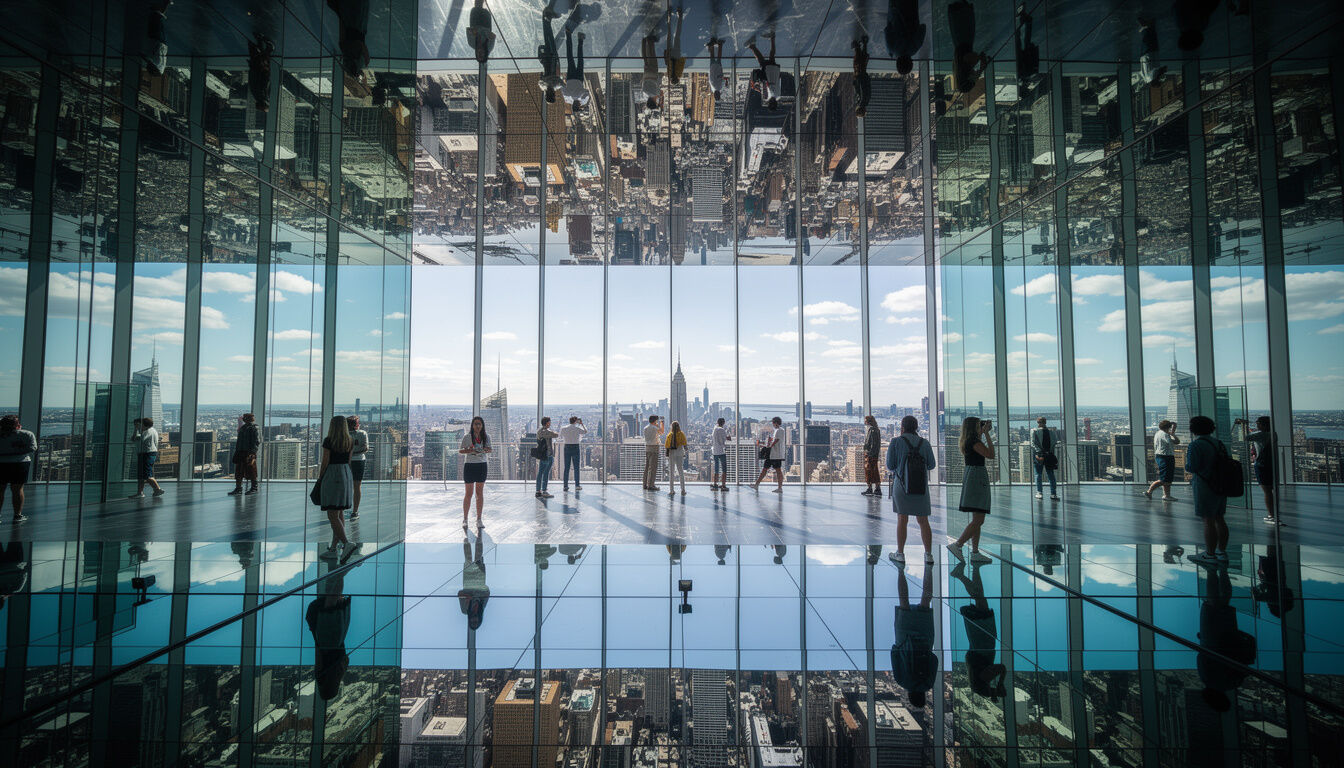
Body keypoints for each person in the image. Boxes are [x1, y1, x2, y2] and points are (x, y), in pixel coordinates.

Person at [1196, 562, 1257, 713]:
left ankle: (1222, 571)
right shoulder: (1207, 679)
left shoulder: (1233, 683)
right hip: (1211, 640)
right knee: (1213, 603)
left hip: (1229, 638)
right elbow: (1201, 657)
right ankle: (1212, 570)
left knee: (1224, 602)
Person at [951, 561, 1007, 699]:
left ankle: (961, 576)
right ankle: (976, 567)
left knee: (980, 598)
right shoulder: (975, 675)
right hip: (979, 642)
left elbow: (1002, 668)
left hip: (984, 641)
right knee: (980, 598)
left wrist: (1000, 683)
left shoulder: (983, 678)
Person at [887, 416, 937, 566]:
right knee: (923, 520)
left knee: (902, 519)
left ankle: (900, 553)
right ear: (916, 428)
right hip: (920, 486)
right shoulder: (925, 443)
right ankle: (928, 554)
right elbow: (931, 465)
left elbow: (890, 465)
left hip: (901, 485)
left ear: (902, 427)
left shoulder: (895, 442)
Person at [891, 561, 936, 709]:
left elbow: (934, 660)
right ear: (910, 696)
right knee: (904, 601)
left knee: (926, 600)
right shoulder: (902, 681)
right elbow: (895, 655)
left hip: (925, 639)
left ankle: (928, 567)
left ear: (923, 696)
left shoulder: (929, 683)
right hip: (904, 639)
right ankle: (900, 570)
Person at [948, 417, 993, 564]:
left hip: (973, 476)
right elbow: (990, 454)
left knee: (976, 519)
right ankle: (958, 544)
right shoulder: (974, 442)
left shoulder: (969, 441)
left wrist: (982, 432)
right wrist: (986, 434)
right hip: (977, 477)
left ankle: (974, 552)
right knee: (979, 519)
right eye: (978, 425)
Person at [1185, 415, 1229, 567]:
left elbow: (1191, 467)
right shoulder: (1218, 443)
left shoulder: (1196, 445)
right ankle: (1221, 552)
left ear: (1193, 429)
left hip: (1204, 484)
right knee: (1220, 518)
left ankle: (1209, 554)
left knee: (1208, 520)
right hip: (1221, 484)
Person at [306, 569, 352, 701]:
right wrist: (314, 632)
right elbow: (318, 654)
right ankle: (339, 570)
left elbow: (346, 658)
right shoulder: (321, 677)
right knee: (330, 601)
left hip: (337, 639)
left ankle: (339, 570)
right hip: (325, 641)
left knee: (334, 600)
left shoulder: (339, 673)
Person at [317, 416, 354, 557]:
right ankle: (333, 548)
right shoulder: (349, 441)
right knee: (339, 513)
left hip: (332, 475)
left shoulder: (329, 441)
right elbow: (349, 461)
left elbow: (325, 461)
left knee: (332, 514)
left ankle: (346, 543)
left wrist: (321, 478)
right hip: (345, 473)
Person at [1241, 416, 1278, 525]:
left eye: (1258, 424)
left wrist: (1244, 425)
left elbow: (1246, 437)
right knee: (1270, 490)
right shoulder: (1273, 434)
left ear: (1263, 425)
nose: (1257, 426)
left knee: (1266, 491)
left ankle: (1271, 515)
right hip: (1270, 464)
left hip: (1261, 465)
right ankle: (1273, 513)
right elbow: (1253, 434)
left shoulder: (1261, 435)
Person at [0, 415, 37, 523]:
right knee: (17, 490)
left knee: (0, 489)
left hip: (1, 464)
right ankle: (17, 515)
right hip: (20, 463)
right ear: (17, 425)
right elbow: (32, 448)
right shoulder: (27, 434)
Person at [947, 0, 985, 94]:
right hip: (958, 35)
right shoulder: (958, 65)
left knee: (964, 16)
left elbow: (974, 55)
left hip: (964, 35)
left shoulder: (966, 64)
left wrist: (980, 69)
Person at [459, 416, 491, 527]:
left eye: (479, 424)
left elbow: (489, 449)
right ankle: (465, 519)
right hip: (469, 466)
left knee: (479, 493)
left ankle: (479, 519)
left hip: (482, 465)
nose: (478, 426)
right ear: (472, 425)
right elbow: (461, 450)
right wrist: (470, 450)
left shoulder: (486, 437)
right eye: (476, 424)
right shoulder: (467, 437)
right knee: (468, 493)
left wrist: (485, 450)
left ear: (482, 426)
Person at [327, 0, 370, 78]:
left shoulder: (364, 60)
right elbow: (342, 27)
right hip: (351, 21)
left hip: (358, 25)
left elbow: (362, 45)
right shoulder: (344, 47)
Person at [884, 0, 924, 74]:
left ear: (911, 63)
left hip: (911, 8)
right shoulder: (891, 48)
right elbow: (886, 30)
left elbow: (923, 27)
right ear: (897, 63)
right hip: (894, 8)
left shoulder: (915, 47)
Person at [459, 535, 490, 630]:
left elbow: (459, 593)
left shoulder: (465, 610)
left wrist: (469, 596)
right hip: (479, 579)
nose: (474, 619)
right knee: (478, 557)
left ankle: (466, 537)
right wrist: (473, 594)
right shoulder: (482, 607)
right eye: (476, 621)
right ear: (480, 620)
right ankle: (479, 536)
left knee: (468, 558)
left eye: (472, 621)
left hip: (468, 581)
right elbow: (487, 592)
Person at [1145, 420, 1180, 501]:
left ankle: (1167, 495)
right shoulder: (1165, 435)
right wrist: (1173, 433)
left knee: (1167, 478)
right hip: (1166, 457)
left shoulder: (1158, 433)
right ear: (1168, 427)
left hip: (1160, 456)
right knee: (1164, 478)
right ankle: (1149, 491)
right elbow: (1176, 442)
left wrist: (1171, 431)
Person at [130, 417, 164, 499]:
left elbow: (141, 439)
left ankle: (157, 489)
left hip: (147, 454)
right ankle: (140, 492)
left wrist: (138, 430)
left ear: (144, 424)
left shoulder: (149, 431)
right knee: (142, 475)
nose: (137, 426)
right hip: (144, 454)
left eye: (138, 425)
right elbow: (133, 439)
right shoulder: (147, 431)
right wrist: (136, 430)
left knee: (146, 474)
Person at [747, 31, 781, 110]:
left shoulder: (778, 96)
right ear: (770, 104)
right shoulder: (768, 97)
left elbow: (777, 84)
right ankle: (752, 46)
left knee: (771, 55)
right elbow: (767, 85)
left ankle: (772, 38)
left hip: (774, 72)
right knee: (761, 59)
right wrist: (757, 87)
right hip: (768, 73)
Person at [228, 413, 261, 496]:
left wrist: (253, 452)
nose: (244, 419)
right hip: (241, 452)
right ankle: (238, 488)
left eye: (245, 418)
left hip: (248, 452)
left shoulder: (254, 428)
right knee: (239, 471)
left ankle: (254, 488)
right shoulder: (244, 427)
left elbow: (257, 441)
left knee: (251, 470)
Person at [538, 3, 563, 103]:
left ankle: (547, 17)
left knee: (550, 38)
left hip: (553, 57)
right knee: (547, 37)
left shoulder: (555, 85)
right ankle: (546, 18)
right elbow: (541, 75)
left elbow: (561, 81)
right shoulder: (542, 85)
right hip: (546, 59)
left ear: (552, 95)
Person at [752, 416, 786, 492]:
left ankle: (757, 485)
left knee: (774, 470)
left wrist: (769, 445)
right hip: (774, 455)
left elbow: (776, 440)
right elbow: (775, 440)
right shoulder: (779, 430)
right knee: (771, 470)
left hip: (774, 455)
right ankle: (757, 485)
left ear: (776, 423)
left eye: (773, 423)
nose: (772, 424)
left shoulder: (779, 430)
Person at [1031, 416, 1058, 500]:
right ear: (1045, 422)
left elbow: (1033, 443)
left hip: (1038, 455)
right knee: (1050, 474)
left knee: (1038, 474)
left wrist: (1039, 452)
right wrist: (1049, 452)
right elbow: (1054, 442)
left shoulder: (1034, 431)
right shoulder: (1052, 432)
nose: (1039, 424)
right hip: (1049, 455)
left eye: (1039, 422)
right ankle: (1053, 493)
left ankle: (1039, 492)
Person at [347, 416, 369, 519]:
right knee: (357, 486)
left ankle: (342, 507)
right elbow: (366, 448)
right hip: (360, 461)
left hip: (347, 461)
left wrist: (350, 453)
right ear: (357, 424)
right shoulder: (363, 433)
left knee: (346, 485)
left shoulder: (344, 435)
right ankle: (355, 511)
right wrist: (356, 452)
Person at [563, 30, 590, 110]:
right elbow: (562, 86)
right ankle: (568, 34)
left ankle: (580, 39)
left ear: (578, 105)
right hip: (570, 78)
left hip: (579, 78)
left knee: (580, 59)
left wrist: (583, 102)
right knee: (570, 57)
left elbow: (587, 92)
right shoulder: (567, 98)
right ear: (572, 106)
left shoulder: (581, 98)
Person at [247, 35, 274, 112]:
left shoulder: (263, 96)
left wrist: (266, 72)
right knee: (257, 55)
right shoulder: (256, 95)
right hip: (255, 69)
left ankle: (269, 47)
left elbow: (265, 82)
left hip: (260, 70)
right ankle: (259, 40)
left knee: (263, 57)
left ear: (265, 104)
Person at [1013, 4, 1039, 84]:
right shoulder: (1021, 75)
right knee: (1019, 38)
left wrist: (1035, 50)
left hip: (1027, 54)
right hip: (1022, 55)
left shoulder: (1030, 74)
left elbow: (1035, 61)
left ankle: (1027, 21)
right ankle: (1020, 19)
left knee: (1026, 38)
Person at [559, 416, 587, 491]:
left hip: (567, 446)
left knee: (567, 467)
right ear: (576, 421)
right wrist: (581, 424)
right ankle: (577, 485)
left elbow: (560, 436)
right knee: (576, 468)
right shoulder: (577, 428)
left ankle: (565, 486)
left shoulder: (564, 428)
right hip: (575, 447)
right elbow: (585, 431)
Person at [1138, 16, 1165, 85]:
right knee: (1149, 39)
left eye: (1158, 81)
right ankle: (1149, 25)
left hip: (1150, 55)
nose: (1159, 79)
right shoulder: (1147, 79)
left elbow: (1155, 70)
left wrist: (1161, 71)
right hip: (1145, 56)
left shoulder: (1152, 77)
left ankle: (1146, 25)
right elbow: (1141, 72)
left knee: (1150, 39)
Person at [535, 417, 558, 499]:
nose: (550, 423)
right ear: (547, 423)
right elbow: (556, 435)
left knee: (540, 473)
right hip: (548, 455)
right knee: (546, 473)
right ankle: (544, 490)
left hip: (542, 455)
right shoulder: (547, 432)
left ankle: (538, 491)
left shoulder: (539, 431)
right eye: (549, 422)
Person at [663, 6, 686, 86]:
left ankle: (679, 16)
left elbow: (682, 62)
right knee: (670, 35)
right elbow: (667, 64)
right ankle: (669, 17)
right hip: (670, 55)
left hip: (676, 54)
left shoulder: (679, 73)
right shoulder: (669, 75)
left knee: (677, 35)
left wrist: (682, 56)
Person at [665, 420, 688, 496]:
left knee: (671, 472)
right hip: (680, 453)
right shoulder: (681, 434)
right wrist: (685, 453)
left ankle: (671, 490)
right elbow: (685, 445)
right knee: (680, 471)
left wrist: (667, 455)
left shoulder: (669, 435)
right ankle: (683, 490)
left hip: (672, 454)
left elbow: (667, 447)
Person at [641, 31, 663, 110]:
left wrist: (661, 75)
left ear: (654, 102)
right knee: (646, 59)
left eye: (656, 103)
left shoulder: (655, 93)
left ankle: (650, 41)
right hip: (646, 75)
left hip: (653, 74)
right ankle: (644, 42)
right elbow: (643, 84)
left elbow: (658, 83)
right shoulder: (644, 94)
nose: (657, 102)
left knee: (652, 56)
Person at [862, 415, 882, 495]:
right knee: (873, 471)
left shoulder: (873, 430)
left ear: (869, 421)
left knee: (870, 471)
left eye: (865, 420)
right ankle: (875, 488)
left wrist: (869, 453)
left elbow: (874, 444)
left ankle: (872, 488)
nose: (864, 422)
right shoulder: (874, 429)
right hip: (872, 454)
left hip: (871, 455)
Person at [643, 415, 664, 491]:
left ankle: (645, 484)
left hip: (647, 448)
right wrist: (661, 424)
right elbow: (662, 432)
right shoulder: (655, 428)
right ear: (655, 421)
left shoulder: (645, 428)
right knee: (653, 468)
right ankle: (651, 485)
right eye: (657, 421)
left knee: (647, 467)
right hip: (654, 448)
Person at [852, 36, 872, 117]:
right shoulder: (861, 101)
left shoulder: (866, 101)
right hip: (860, 77)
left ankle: (863, 44)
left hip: (863, 77)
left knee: (862, 62)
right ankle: (858, 46)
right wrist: (857, 81)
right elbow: (861, 89)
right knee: (858, 62)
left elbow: (867, 89)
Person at [710, 417, 730, 490]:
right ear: (723, 423)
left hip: (715, 451)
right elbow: (723, 440)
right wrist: (727, 439)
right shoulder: (722, 430)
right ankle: (723, 485)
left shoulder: (714, 429)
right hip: (721, 451)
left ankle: (715, 484)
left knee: (716, 468)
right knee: (724, 469)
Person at [706, 36, 728, 100]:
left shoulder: (719, 87)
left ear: (719, 94)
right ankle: (712, 44)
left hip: (717, 68)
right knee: (712, 56)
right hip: (712, 68)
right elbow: (711, 78)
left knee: (718, 57)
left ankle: (719, 44)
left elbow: (720, 78)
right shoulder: (713, 88)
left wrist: (724, 79)